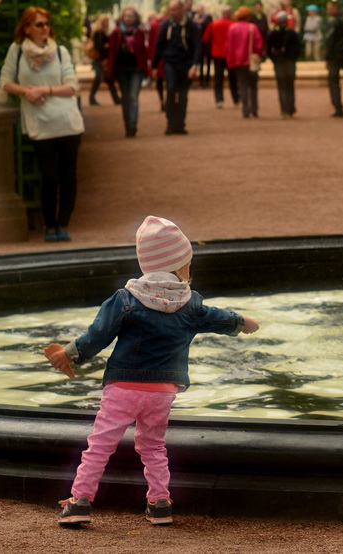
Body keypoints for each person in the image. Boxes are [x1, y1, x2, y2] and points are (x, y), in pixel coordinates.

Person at [47, 215, 260, 527]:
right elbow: (217, 318)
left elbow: (98, 335)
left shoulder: (125, 299)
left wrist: (70, 354)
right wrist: (241, 322)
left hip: (123, 388)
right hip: (162, 392)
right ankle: (160, 503)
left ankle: (80, 500)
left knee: (100, 446)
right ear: (176, 266)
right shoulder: (191, 303)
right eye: (188, 263)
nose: (190, 270)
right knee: (153, 447)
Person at [0, 7, 83, 242]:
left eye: (46, 23)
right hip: (40, 123)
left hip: (66, 122)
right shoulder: (16, 51)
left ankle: (63, 223)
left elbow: (72, 87)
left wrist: (45, 89)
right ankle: (49, 224)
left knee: (68, 176)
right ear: (26, 28)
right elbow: (5, 81)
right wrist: (27, 92)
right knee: (49, 176)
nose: (44, 28)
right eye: (38, 24)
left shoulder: (60, 51)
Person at [151, 0, 202, 135]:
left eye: (174, 9)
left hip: (186, 63)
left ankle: (180, 124)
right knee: (171, 90)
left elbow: (198, 47)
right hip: (170, 62)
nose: (172, 12)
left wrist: (194, 66)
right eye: (170, 9)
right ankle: (171, 123)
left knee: (183, 94)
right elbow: (159, 45)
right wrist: (154, 66)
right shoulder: (166, 25)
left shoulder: (191, 25)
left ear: (181, 9)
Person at [107, 6, 149, 137]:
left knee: (133, 96)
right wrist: (110, 69)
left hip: (136, 69)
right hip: (121, 69)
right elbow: (112, 52)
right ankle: (127, 123)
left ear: (135, 18)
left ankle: (132, 125)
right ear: (122, 17)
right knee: (125, 97)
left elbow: (143, 52)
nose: (128, 18)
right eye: (126, 15)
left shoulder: (139, 33)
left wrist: (146, 69)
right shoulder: (117, 32)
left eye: (131, 16)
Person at [225, 6, 264, 119]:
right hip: (251, 61)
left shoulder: (232, 28)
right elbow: (258, 44)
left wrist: (230, 61)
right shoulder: (253, 27)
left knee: (242, 85)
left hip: (238, 61)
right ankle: (254, 109)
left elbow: (229, 47)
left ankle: (245, 110)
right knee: (253, 86)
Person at [266, 11, 302, 118]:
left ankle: (284, 110)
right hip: (290, 63)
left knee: (281, 87)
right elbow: (298, 49)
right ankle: (290, 108)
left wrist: (274, 59)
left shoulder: (272, 34)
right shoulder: (292, 33)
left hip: (279, 62)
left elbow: (268, 50)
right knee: (290, 86)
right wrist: (293, 59)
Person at [204, 6, 237, 108]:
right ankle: (236, 98)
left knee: (218, 79)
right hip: (230, 55)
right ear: (230, 14)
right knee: (233, 78)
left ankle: (219, 100)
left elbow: (205, 38)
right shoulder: (234, 25)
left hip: (217, 54)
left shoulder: (214, 24)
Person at [88, 14, 121, 106]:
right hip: (100, 59)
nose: (106, 23)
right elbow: (98, 47)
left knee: (108, 79)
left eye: (107, 21)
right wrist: (107, 47)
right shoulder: (98, 33)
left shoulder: (104, 32)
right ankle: (92, 98)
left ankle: (116, 98)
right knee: (99, 78)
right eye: (104, 22)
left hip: (104, 59)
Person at [194, 4, 213, 87]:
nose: (199, 12)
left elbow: (210, 27)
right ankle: (201, 81)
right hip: (199, 44)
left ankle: (207, 81)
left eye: (200, 10)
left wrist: (200, 22)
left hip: (207, 44)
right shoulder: (194, 17)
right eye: (198, 10)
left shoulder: (208, 17)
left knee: (208, 63)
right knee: (200, 63)